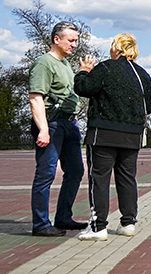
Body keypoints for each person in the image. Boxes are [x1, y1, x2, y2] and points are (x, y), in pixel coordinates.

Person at [73, 33, 151, 241]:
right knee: (127, 178)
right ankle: (128, 222)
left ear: (117, 49)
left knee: (99, 179)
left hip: (103, 133)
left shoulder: (106, 67)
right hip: (132, 135)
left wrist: (83, 72)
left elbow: (84, 88)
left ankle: (98, 226)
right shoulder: (142, 75)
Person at [29, 21, 87, 237]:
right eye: (71, 40)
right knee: (46, 173)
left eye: (76, 40)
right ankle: (41, 224)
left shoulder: (64, 64)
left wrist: (83, 73)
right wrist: (43, 129)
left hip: (69, 124)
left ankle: (63, 217)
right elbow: (36, 98)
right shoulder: (44, 63)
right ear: (57, 39)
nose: (74, 45)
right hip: (52, 124)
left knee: (76, 170)